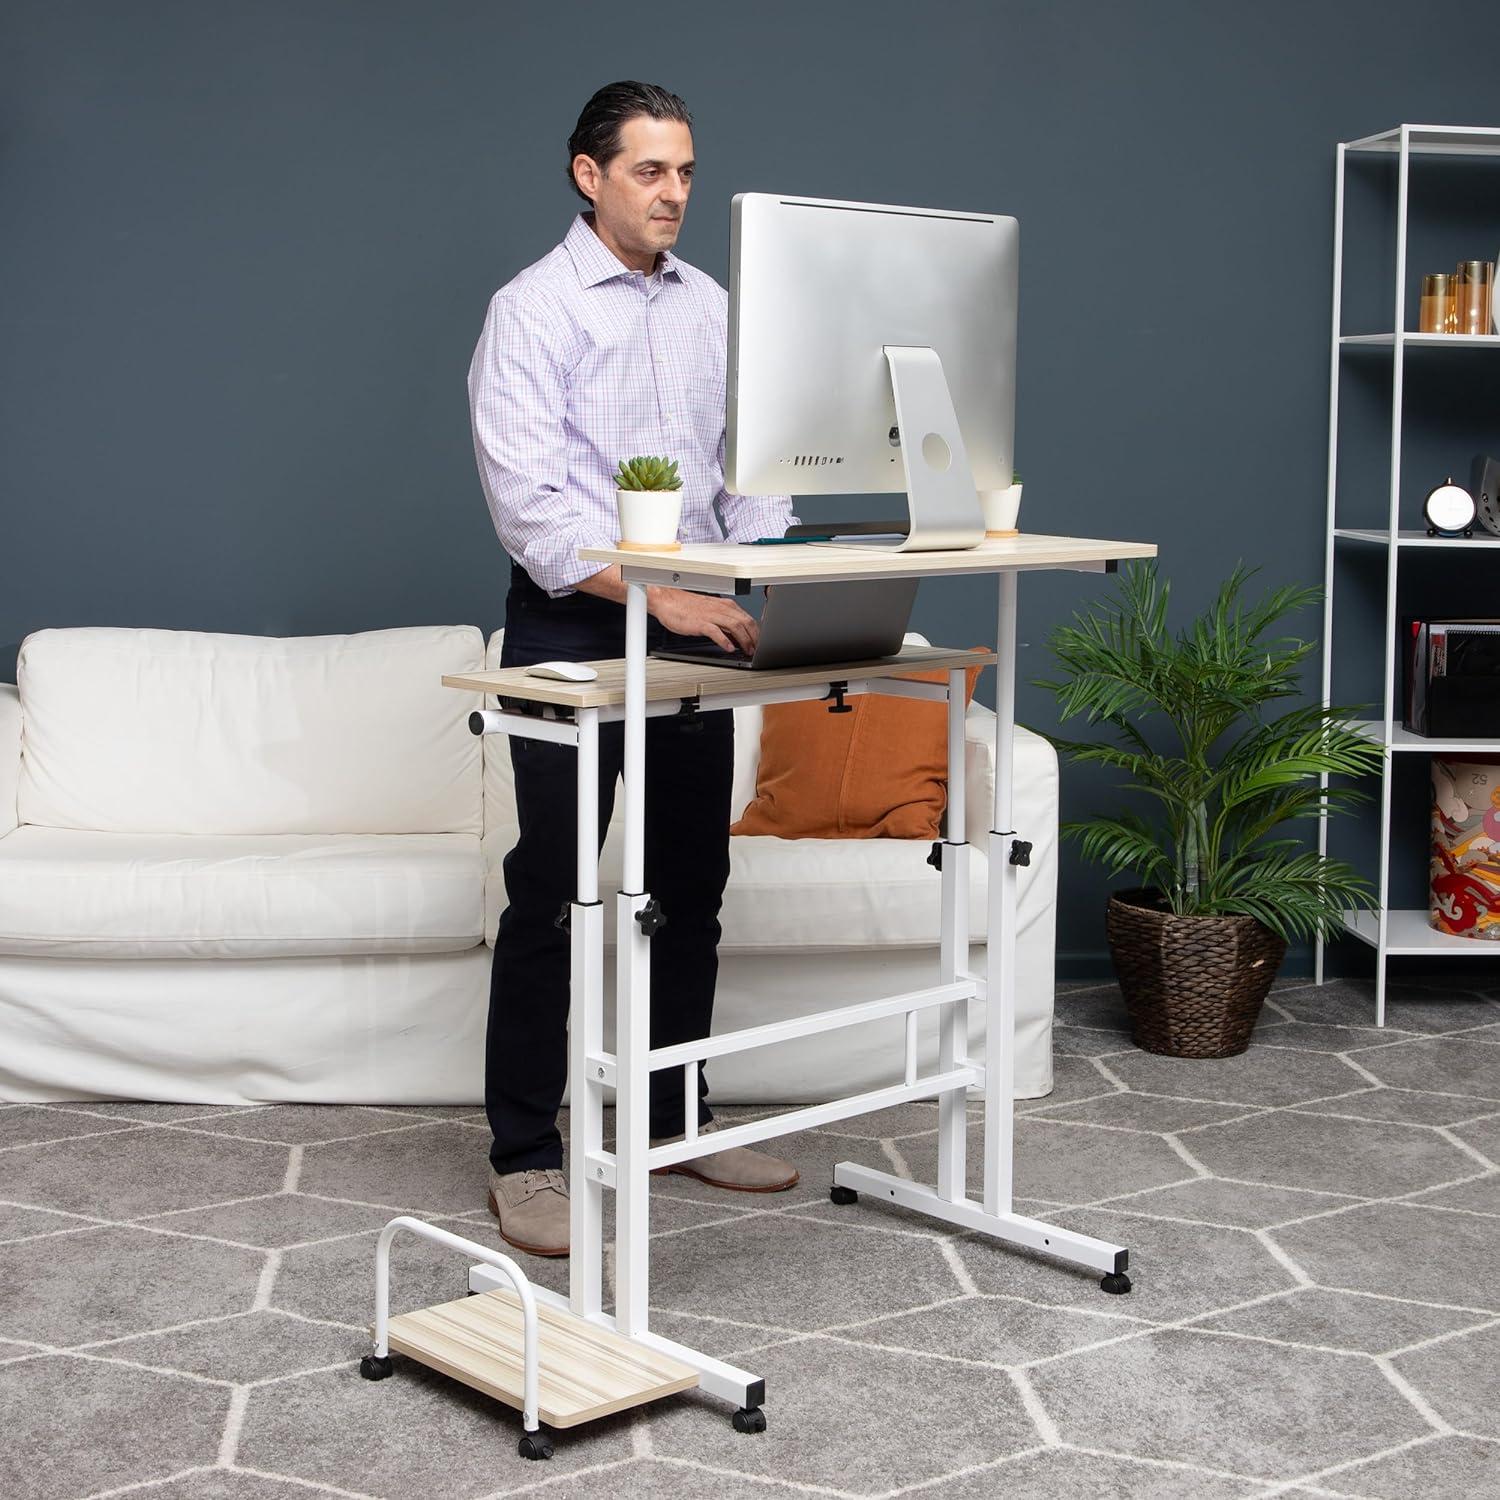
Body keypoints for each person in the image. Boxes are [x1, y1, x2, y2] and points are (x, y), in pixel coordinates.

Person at [467, 81, 801, 1257]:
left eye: (687, 172)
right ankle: (524, 1154)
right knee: (554, 887)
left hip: (697, 625)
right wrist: (674, 595)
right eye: (651, 171)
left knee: (691, 887)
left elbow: (747, 472)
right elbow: (537, 517)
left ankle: (678, 1114)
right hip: (572, 623)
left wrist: (772, 573)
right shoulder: (534, 310)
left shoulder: (712, 305)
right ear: (588, 174)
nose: (674, 194)